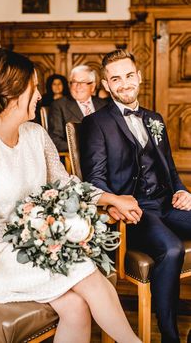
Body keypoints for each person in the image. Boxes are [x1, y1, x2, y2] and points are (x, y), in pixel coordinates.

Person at [0, 48, 141, 343]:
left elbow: (66, 184)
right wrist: (40, 230)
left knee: (77, 307)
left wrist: (110, 199)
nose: (40, 94)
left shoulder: (36, 135)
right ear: (14, 95)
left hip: (36, 242)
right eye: (34, 87)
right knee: (84, 270)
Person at [80, 49, 191, 343]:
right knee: (171, 249)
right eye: (116, 79)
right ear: (106, 85)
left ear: (139, 77)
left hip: (167, 203)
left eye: (129, 76)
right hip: (135, 211)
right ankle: (169, 335)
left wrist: (182, 190)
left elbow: (169, 168)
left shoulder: (155, 119)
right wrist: (114, 203)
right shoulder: (96, 124)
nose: (124, 84)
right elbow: (95, 180)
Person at [48, 65, 107, 152]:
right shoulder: (59, 105)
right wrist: (84, 148)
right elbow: (55, 140)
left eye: (83, 82)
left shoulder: (103, 104)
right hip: (77, 159)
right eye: (74, 82)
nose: (78, 86)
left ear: (93, 86)